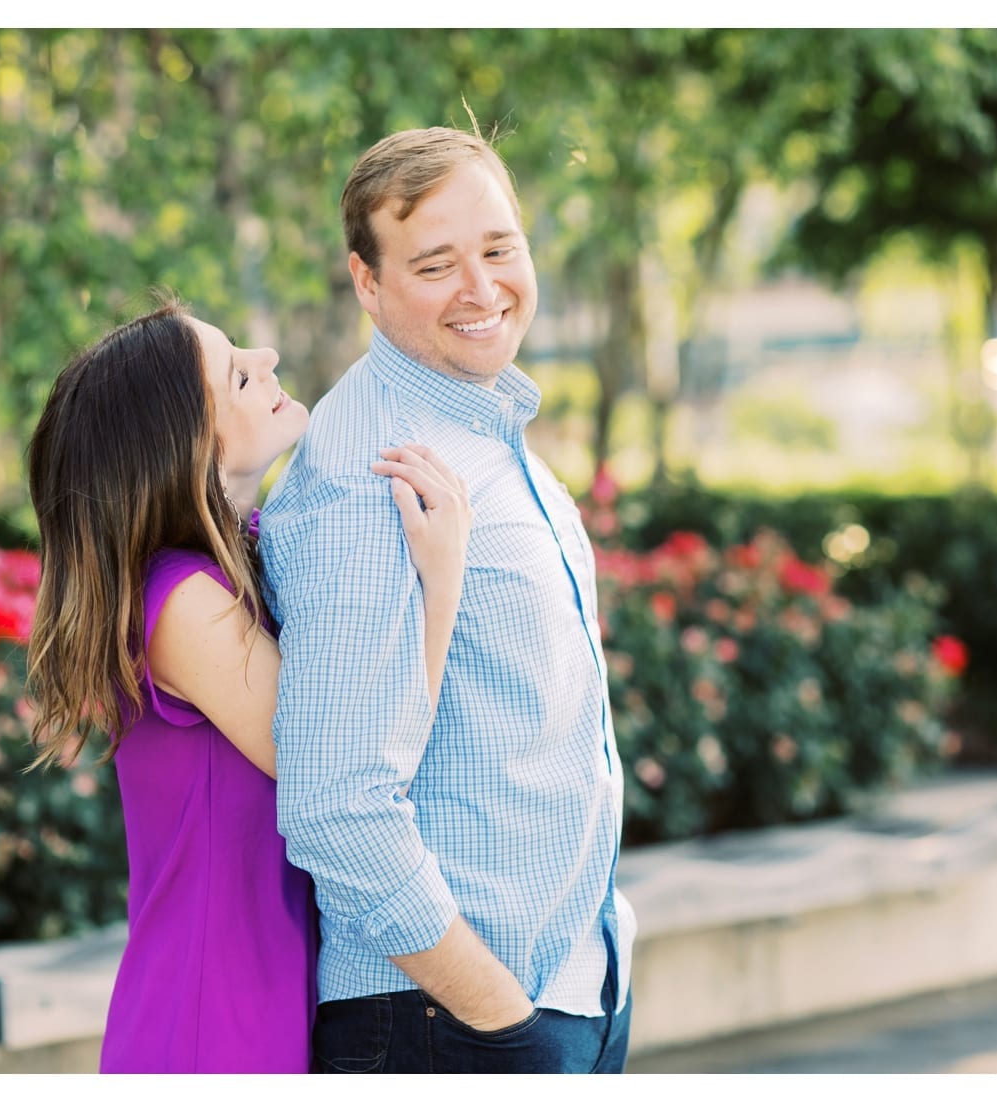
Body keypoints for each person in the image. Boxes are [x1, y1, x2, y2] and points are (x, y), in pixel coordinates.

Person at [258, 125, 637, 1074]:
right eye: (435, 264)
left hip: (565, 987)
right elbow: (336, 804)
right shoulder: (369, 475)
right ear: (367, 283)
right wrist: (499, 1019)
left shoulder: (481, 424)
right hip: (452, 1022)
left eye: (499, 248)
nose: (482, 288)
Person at [23, 298, 472, 1073]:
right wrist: (442, 584)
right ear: (183, 446)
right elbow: (343, 756)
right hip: (209, 1020)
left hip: (263, 995)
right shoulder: (180, 601)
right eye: (236, 374)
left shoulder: (248, 559)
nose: (265, 358)